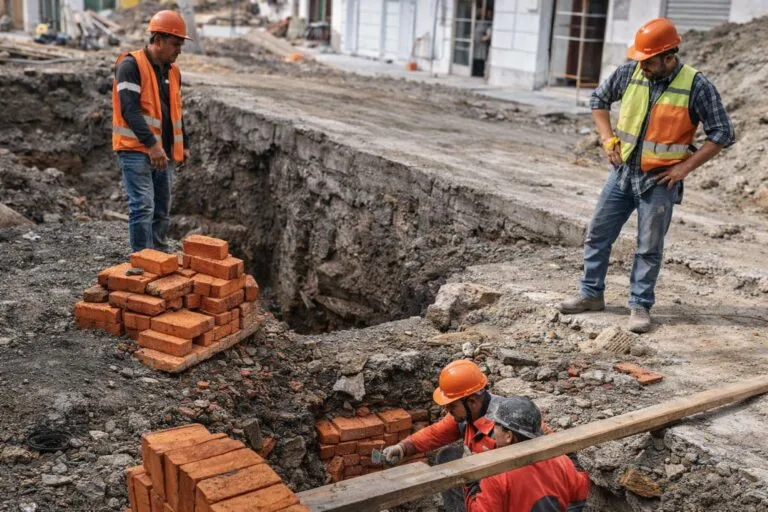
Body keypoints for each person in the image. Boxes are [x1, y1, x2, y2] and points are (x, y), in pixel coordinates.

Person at [558, 17, 734, 333]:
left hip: (660, 180)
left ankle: (640, 305)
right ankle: (590, 294)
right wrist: (606, 137)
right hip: (623, 172)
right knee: (598, 233)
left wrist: (685, 168)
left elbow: (722, 132)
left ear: (669, 57)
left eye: (649, 61)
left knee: (648, 246)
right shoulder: (631, 72)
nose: (643, 66)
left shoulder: (696, 86)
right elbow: (598, 99)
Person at [112, 10, 192, 253]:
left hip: (164, 152)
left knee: (161, 209)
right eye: (175, 44)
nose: (179, 50)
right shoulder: (130, 65)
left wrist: (183, 144)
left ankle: (159, 254)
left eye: (180, 44)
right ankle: (142, 260)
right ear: (158, 40)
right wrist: (152, 145)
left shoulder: (173, 71)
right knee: (143, 207)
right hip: (136, 150)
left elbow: (176, 111)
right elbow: (129, 110)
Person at [382, 359, 502, 512]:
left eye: (452, 405)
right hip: (481, 479)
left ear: (471, 401)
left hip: (501, 490)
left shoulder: (506, 429)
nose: (447, 411)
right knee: (447, 457)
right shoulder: (470, 413)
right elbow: (435, 434)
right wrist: (403, 448)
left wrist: (478, 472)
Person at [464, 396, 590, 511]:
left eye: (496, 424)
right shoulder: (562, 460)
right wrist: (571, 455)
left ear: (509, 436)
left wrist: (472, 482)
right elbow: (580, 494)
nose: (493, 428)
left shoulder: (495, 476)